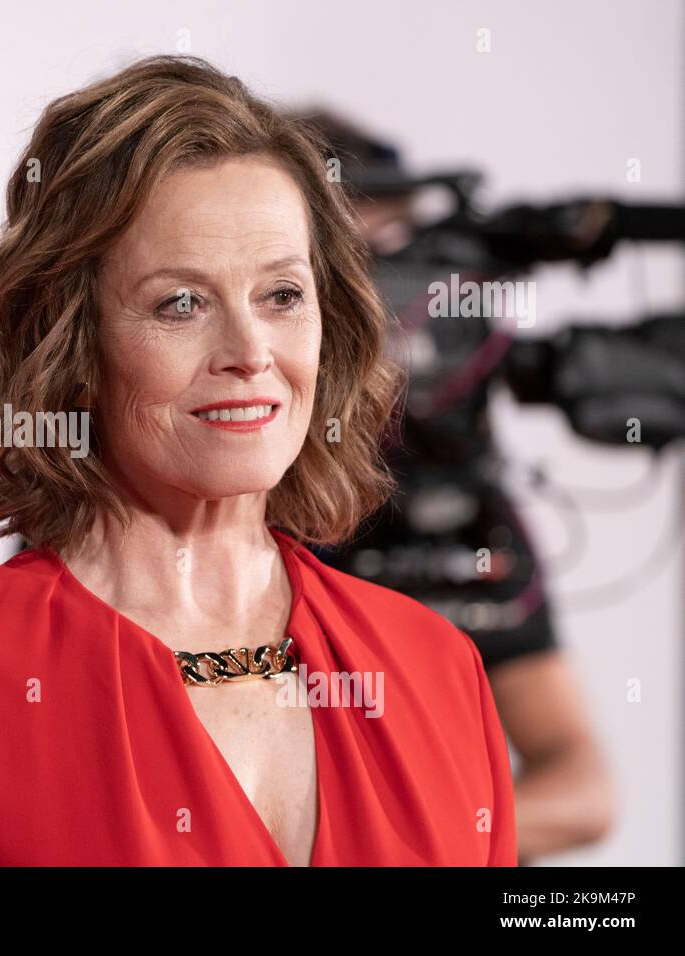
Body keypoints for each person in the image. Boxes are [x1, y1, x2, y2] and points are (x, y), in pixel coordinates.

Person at [0, 54, 517, 866]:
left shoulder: (437, 669)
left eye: (282, 295)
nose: (249, 352)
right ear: (70, 340)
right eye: (181, 304)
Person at [288, 109, 615, 863]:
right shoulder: (190, 497)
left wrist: (400, 845)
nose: (393, 311)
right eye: (343, 266)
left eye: (401, 255)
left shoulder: (462, 508)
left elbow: (584, 790)